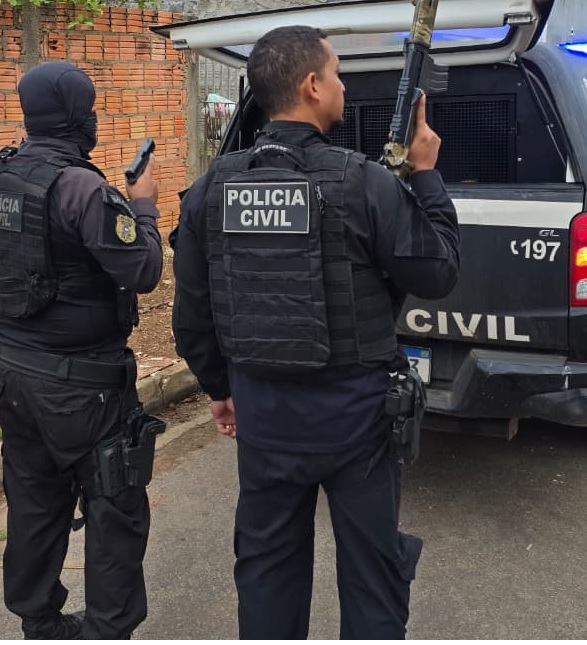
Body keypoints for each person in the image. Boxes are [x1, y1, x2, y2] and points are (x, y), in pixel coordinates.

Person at [172, 25, 460, 640]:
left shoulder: (209, 190)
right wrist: (426, 175)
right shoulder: (365, 182)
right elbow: (438, 272)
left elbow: (192, 313)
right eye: (337, 74)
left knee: (267, 576)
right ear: (311, 85)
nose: (343, 86)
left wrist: (220, 389)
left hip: (264, 420)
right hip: (358, 424)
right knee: (374, 579)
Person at [0, 61, 164, 640]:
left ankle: (39, 621)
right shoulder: (83, 189)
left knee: (33, 499)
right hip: (82, 389)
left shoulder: (6, 174)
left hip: (14, 377)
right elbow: (143, 269)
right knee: (115, 506)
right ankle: (106, 630)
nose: (95, 120)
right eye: (90, 110)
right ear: (74, 115)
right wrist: (142, 204)